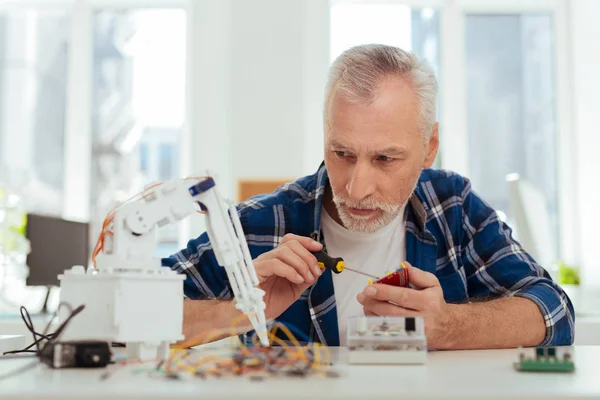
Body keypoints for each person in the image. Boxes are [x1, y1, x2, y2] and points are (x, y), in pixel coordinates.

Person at [163, 44, 574, 349]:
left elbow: (554, 311)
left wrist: (447, 325)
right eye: (342, 153)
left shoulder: (454, 207)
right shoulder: (257, 224)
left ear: (430, 146)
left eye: (386, 158)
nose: (356, 188)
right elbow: (121, 317)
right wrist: (240, 308)